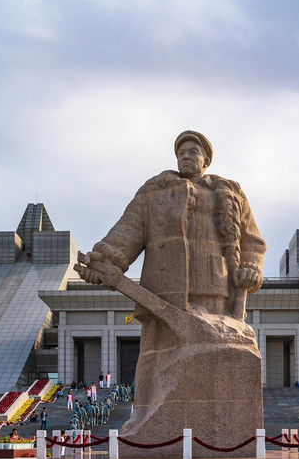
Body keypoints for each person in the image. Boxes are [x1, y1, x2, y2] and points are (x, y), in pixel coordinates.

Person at [78, 130, 266, 322]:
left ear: (206, 161)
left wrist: (250, 267)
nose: (185, 156)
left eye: (193, 152)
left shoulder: (231, 194)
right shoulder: (154, 192)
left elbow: (252, 241)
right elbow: (127, 231)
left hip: (215, 285)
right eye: (181, 153)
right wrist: (103, 261)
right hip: (161, 292)